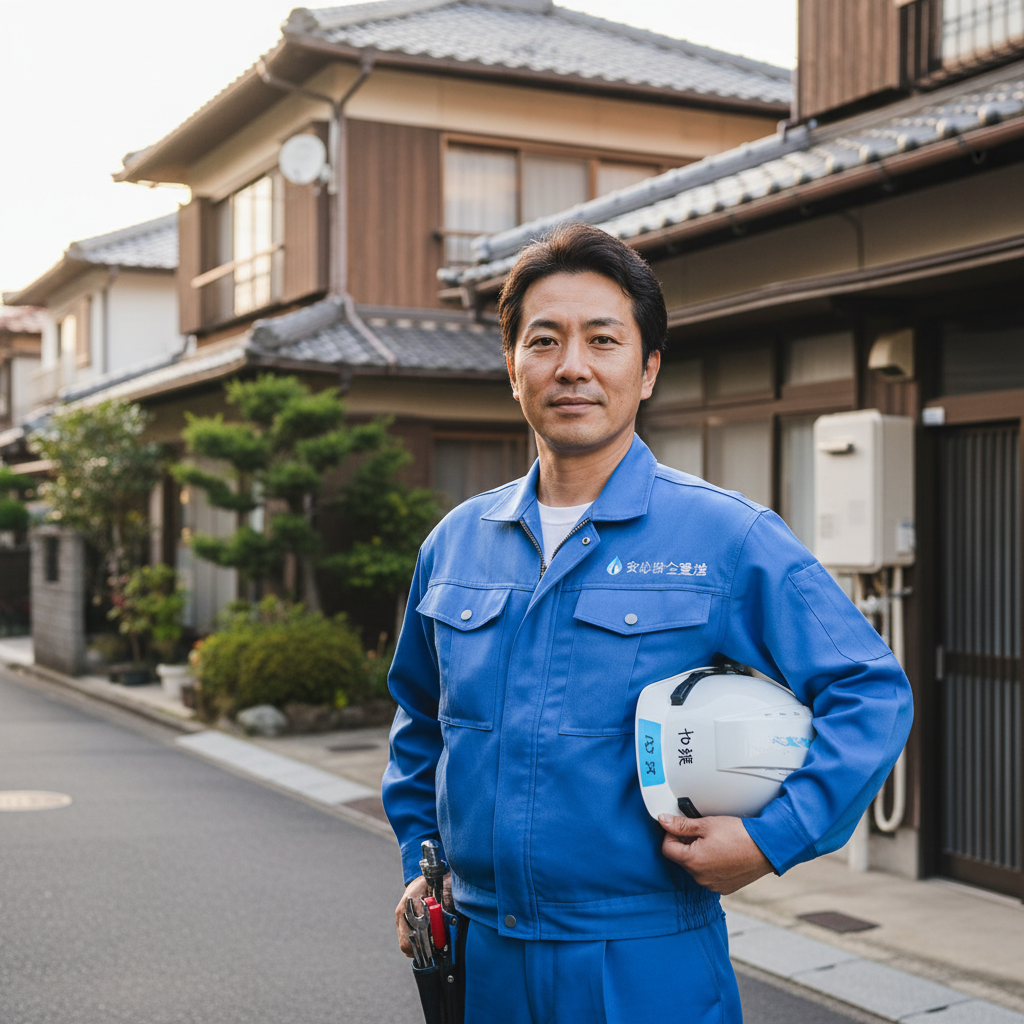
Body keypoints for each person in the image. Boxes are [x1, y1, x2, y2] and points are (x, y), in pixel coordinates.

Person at [384, 222, 913, 1022]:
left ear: (648, 367)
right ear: (512, 365)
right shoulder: (456, 543)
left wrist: (773, 839)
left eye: (603, 340)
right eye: (544, 340)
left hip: (643, 959)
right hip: (480, 953)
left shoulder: (726, 538)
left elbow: (870, 691)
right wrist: (423, 864)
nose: (573, 367)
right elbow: (422, 720)